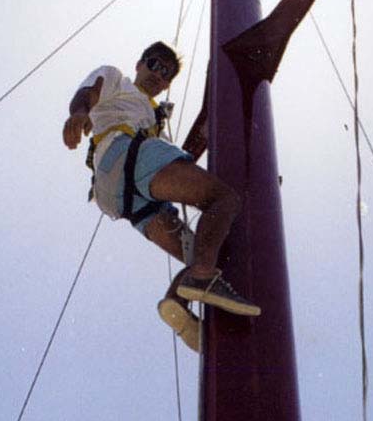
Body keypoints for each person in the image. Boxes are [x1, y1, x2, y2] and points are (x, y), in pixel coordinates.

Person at [62, 41, 260, 352]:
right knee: (223, 199)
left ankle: (177, 303)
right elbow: (90, 91)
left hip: (119, 197)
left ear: (168, 84)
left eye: (166, 73)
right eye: (154, 64)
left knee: (209, 252)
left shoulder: (157, 125)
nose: (159, 74)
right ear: (139, 64)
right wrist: (79, 113)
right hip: (125, 151)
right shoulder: (117, 80)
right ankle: (200, 279)